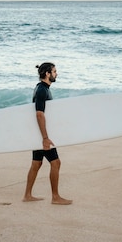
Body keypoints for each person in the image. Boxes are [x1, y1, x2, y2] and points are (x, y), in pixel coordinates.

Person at [22, 62, 72, 205]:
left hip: (38, 133)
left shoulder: (41, 88)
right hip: (42, 135)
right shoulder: (42, 90)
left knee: (36, 164)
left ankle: (27, 195)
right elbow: (39, 114)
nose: (57, 74)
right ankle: (55, 197)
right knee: (56, 163)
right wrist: (45, 138)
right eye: (54, 71)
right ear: (47, 74)